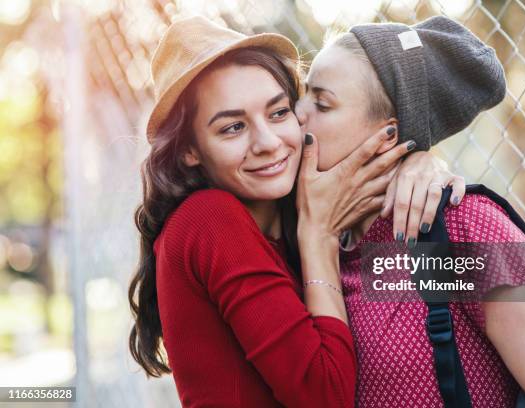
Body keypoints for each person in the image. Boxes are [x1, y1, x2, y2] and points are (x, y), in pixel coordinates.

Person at [128, 17, 467, 408]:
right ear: (189, 149)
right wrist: (319, 237)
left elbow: (485, 281)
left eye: (278, 113)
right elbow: (324, 396)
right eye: (233, 128)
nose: (269, 143)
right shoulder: (209, 219)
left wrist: (418, 160)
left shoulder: (295, 219)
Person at [295, 16, 525, 407]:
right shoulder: (314, 238)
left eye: (321, 103)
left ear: (388, 135)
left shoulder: (458, 230)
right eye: (303, 94)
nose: (296, 113)